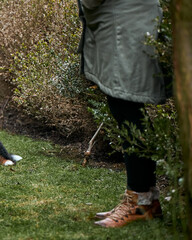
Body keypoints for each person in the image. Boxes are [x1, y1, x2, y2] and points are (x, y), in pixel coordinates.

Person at [77, 0, 167, 228]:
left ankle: (138, 200)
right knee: (128, 109)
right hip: (125, 21)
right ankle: (147, 199)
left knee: (127, 109)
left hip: (125, 23)